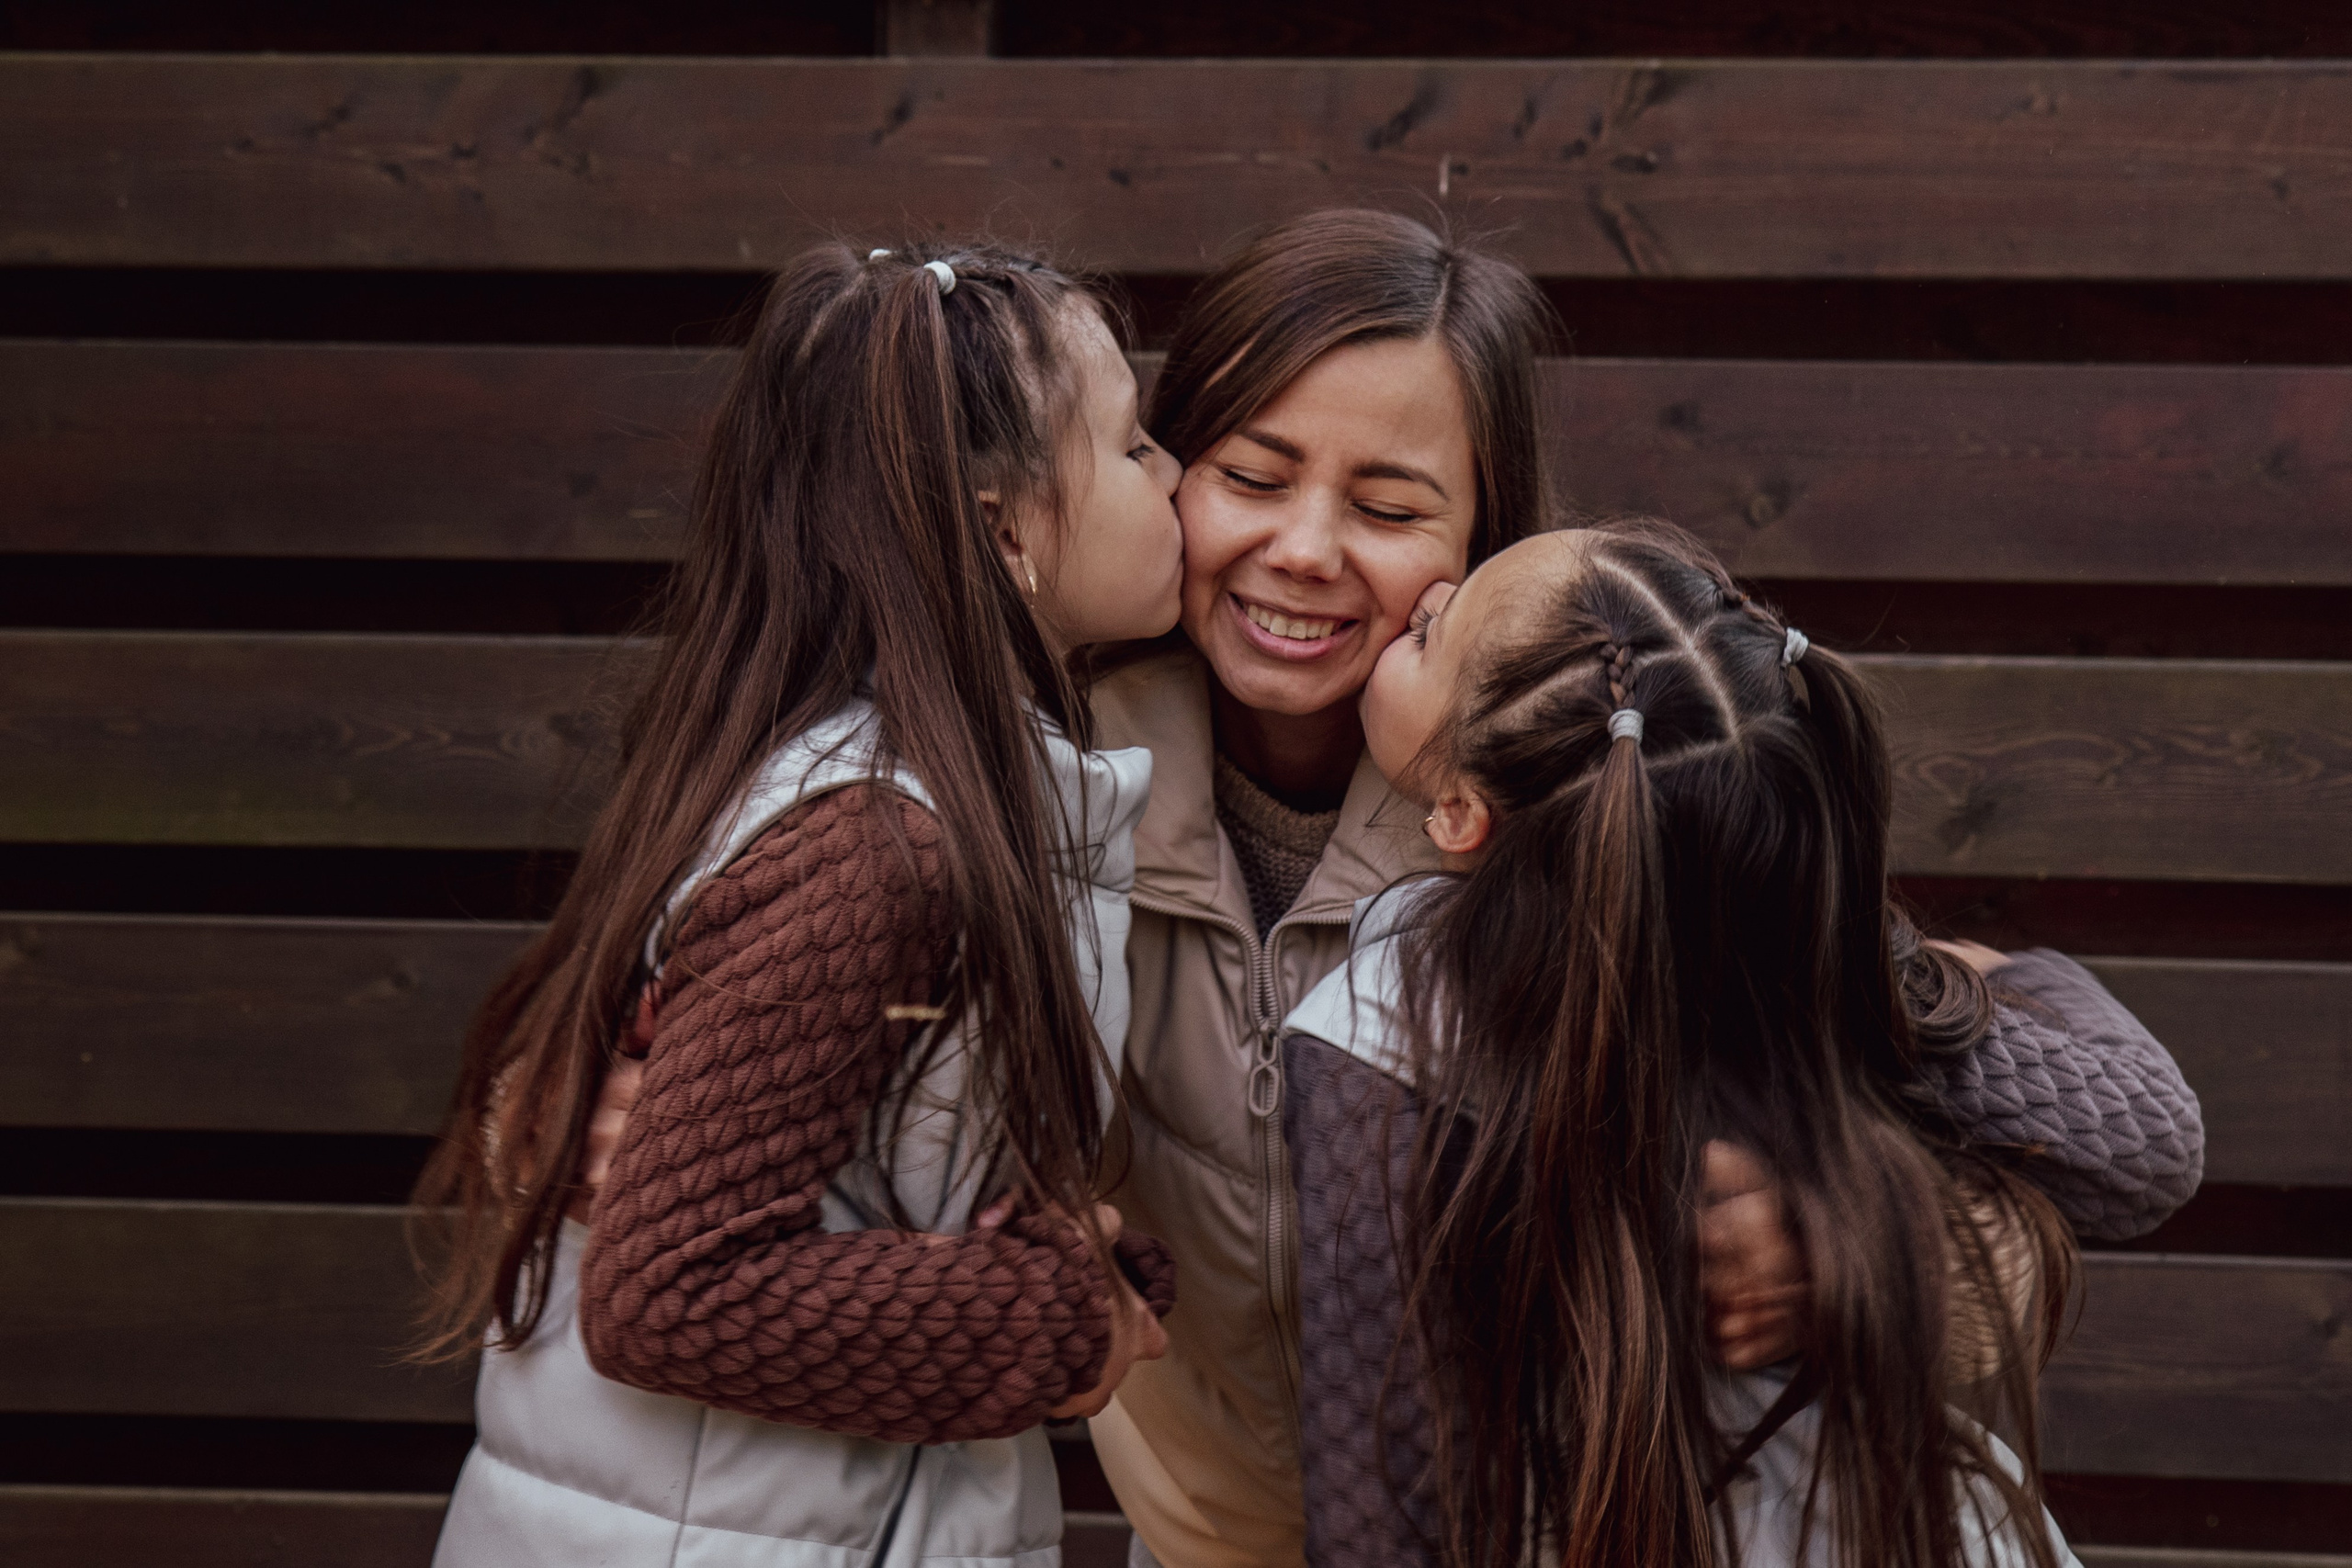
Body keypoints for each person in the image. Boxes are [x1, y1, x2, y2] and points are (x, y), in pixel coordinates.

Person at [1085, 211, 2201, 1568]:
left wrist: (1874, 1239)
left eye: (1389, 509)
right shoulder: (1055, 786)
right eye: (1253, 474)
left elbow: (2021, 1093)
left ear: (1490, 541)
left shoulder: (1599, 799)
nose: (1308, 548)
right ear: (1159, 469)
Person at [415, 238, 1186, 1568]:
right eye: (1134, 447)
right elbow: (670, 1294)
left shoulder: (920, 790)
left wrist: (1063, 1261)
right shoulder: (875, 847)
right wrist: (1060, 1312)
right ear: (1007, 530)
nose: (1173, 474)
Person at [1281, 521, 2197, 1566]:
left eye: (1433, 631)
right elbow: (2143, 1145)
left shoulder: (1378, 1030)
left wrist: (1872, 1238)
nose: (1423, 598)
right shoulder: (1806, 940)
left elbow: (1379, 1524)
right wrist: (1999, 975)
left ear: (1458, 811)